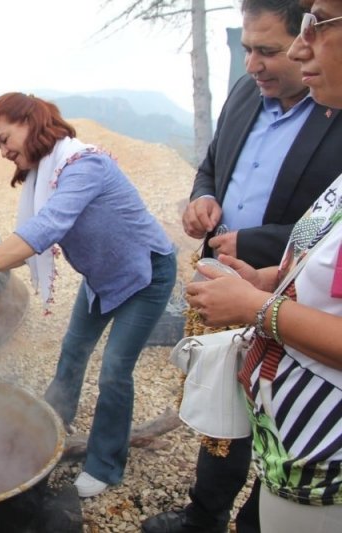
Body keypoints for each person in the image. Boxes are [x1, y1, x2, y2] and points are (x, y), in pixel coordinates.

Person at [143, 1, 342, 531]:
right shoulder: (245, 93)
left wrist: (253, 247)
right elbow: (210, 165)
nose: (253, 64)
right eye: (247, 49)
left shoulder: (336, 114)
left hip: (294, 313)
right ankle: (205, 515)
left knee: (282, 425)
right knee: (223, 415)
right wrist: (201, 197)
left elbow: (326, 228)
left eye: (268, 51)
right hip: (234, 286)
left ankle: (258, 518)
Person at [0, 92, 176, 498]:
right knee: (73, 349)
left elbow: (48, 227)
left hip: (146, 273)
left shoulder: (84, 165)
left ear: (30, 122)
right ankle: (53, 424)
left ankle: (106, 465)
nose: (2, 151)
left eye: (5, 139)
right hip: (101, 276)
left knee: (114, 369)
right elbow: (31, 239)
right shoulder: (45, 173)